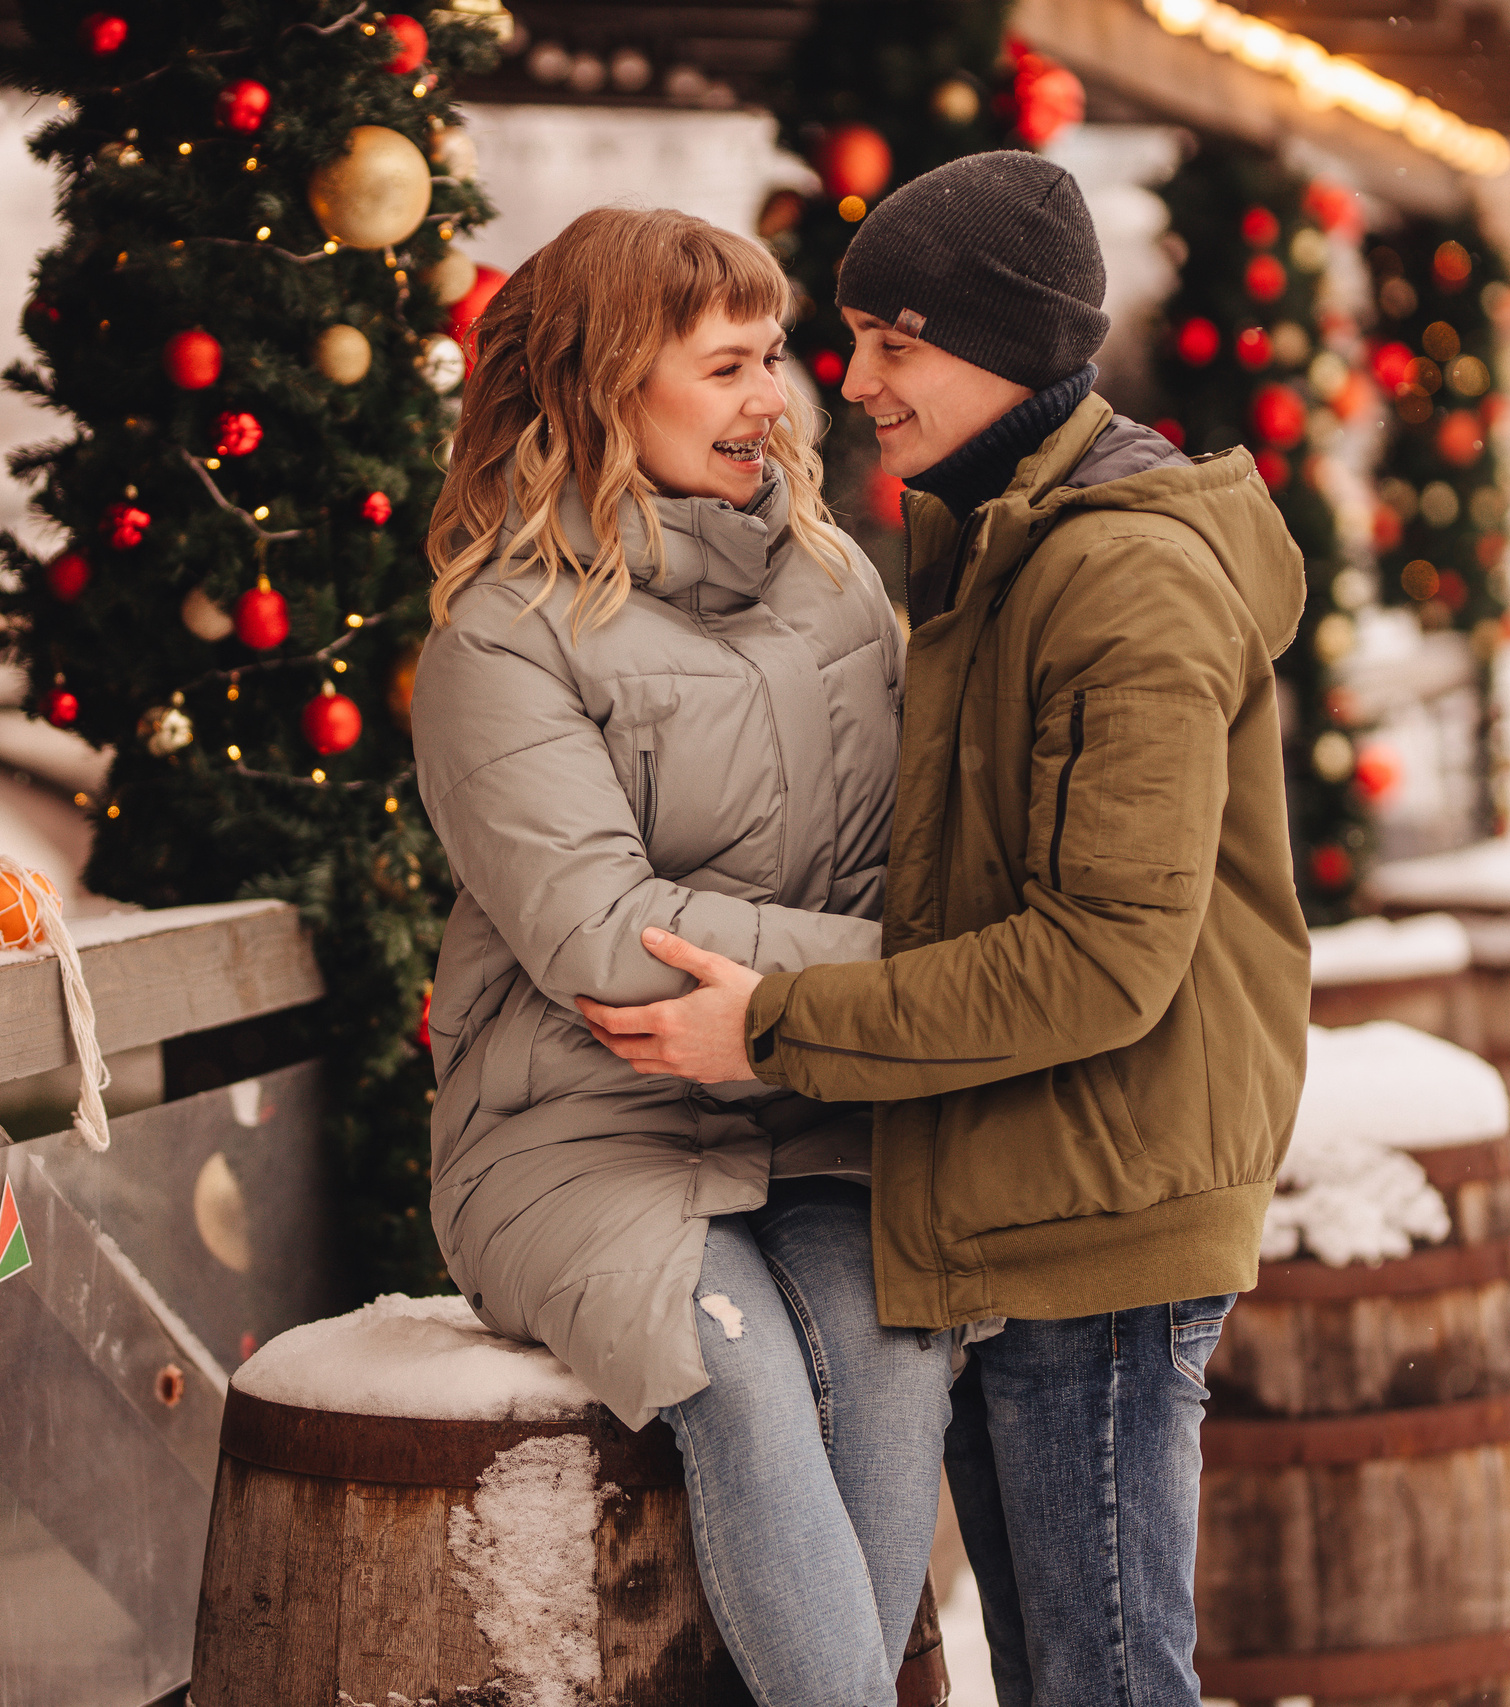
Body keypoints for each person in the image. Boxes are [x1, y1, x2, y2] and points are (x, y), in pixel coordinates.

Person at [577, 153, 1313, 1707]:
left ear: (1006, 340)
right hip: (1035, 1186)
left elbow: (1103, 956)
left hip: (1102, 1211)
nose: (852, 386)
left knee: (1103, 1681)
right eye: (849, 341)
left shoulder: (1123, 580)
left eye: (895, 343)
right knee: (1062, 1672)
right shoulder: (1003, 545)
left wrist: (772, 1024)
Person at [411, 206, 951, 1707]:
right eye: (725, 367)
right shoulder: (501, 641)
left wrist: (821, 1001)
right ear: (602, 385)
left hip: (816, 1108)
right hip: (581, 1130)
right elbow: (601, 937)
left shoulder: (838, 585)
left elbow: (922, 874)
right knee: (748, 1379)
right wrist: (887, 971)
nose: (774, 400)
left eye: (773, 358)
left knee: (897, 1362)